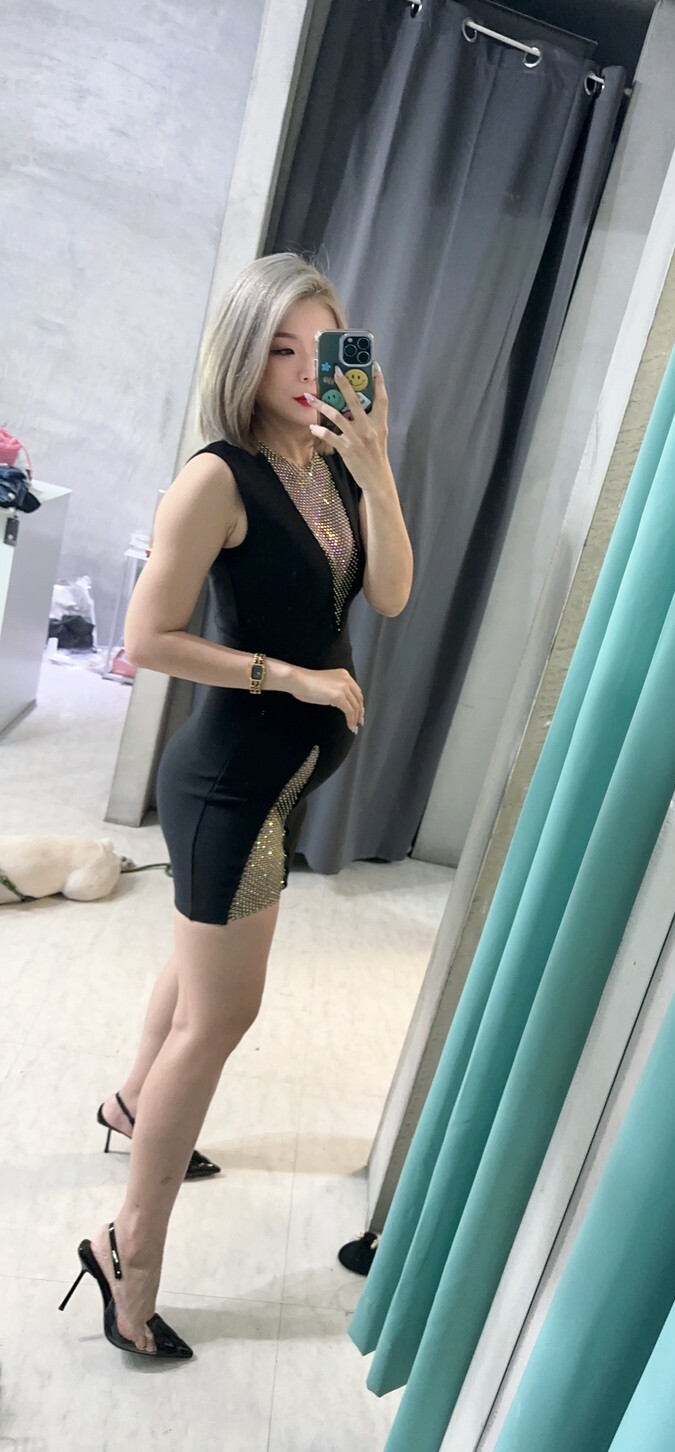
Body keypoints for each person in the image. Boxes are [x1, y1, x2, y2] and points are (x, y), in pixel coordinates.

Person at [58, 254, 413, 1358]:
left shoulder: (333, 462)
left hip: (280, 783)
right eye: (281, 349)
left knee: (196, 973)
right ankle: (129, 1253)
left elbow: (391, 592)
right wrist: (287, 676)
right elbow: (146, 638)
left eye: (324, 347)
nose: (307, 371)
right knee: (220, 1017)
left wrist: (379, 467)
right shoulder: (217, 478)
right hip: (228, 787)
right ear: (245, 359)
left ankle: (132, 1103)